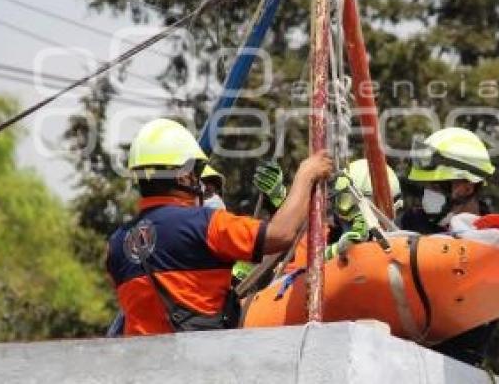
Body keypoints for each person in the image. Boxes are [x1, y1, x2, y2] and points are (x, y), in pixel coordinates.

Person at [106, 118, 332, 335]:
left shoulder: (116, 244)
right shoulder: (205, 223)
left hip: (144, 367)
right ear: (184, 177)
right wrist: (306, 174)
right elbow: (280, 234)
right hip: (200, 362)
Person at [405, 127, 499, 366]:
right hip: (402, 350)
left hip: (460, 365)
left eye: (435, 187)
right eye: (426, 188)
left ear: (465, 187)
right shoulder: (412, 223)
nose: (427, 196)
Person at [325, 158, 402, 260]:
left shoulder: (400, 250)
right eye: (338, 199)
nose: (338, 212)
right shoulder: (326, 235)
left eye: (344, 199)